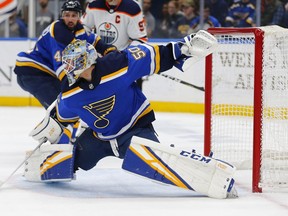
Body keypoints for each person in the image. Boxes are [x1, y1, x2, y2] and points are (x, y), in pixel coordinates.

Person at [27, 30, 238, 199]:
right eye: (68, 63)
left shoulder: (118, 64)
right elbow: (62, 117)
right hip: (100, 138)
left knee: (155, 162)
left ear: (88, 60)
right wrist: (51, 127)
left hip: (135, 129)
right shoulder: (70, 92)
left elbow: (154, 55)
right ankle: (38, 165)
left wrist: (183, 48)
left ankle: (207, 174)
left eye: (73, 63)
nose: (69, 68)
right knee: (72, 161)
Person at [14, 0, 115, 109]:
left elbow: (93, 40)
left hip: (44, 73)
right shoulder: (58, 31)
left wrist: (109, 50)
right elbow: (61, 70)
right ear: (62, 15)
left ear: (79, 16)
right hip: (33, 73)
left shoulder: (79, 29)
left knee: (66, 107)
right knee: (61, 108)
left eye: (74, 15)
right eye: (67, 15)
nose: (70, 19)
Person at [81, 0, 148, 89]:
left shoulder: (132, 8)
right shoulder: (94, 4)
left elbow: (140, 39)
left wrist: (125, 56)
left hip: (123, 65)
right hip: (98, 64)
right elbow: (83, 29)